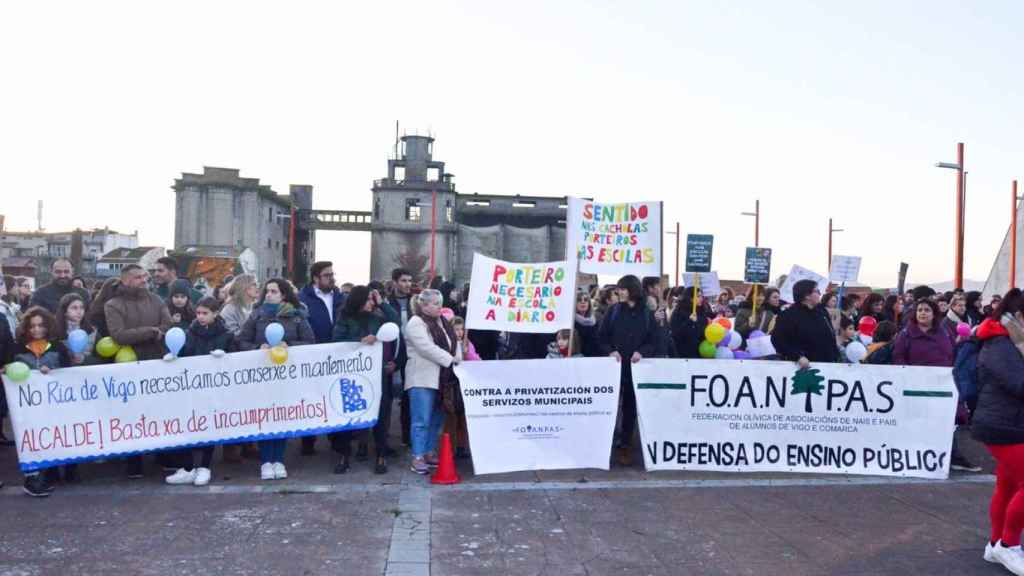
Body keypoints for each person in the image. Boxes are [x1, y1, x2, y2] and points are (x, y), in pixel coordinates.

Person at [237, 278, 315, 480]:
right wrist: (257, 348)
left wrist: (289, 344)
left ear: (284, 295)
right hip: (261, 376)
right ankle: (265, 461)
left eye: (274, 291)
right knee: (265, 416)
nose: (269, 295)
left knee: (281, 417)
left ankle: (278, 459)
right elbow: (241, 341)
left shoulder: (297, 316)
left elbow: (309, 341)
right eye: (267, 291)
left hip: (286, 376)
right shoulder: (257, 315)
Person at [970, 289, 1024, 571]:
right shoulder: (1000, 343)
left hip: (1011, 423)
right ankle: (1008, 545)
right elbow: (1019, 384)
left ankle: (995, 544)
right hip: (1001, 424)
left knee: (1008, 485)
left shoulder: (1014, 341)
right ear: (1018, 316)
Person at [892, 298, 979, 472]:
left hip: (942, 385)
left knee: (947, 421)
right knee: (919, 423)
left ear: (934, 314)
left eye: (927, 310)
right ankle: (916, 456)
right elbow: (898, 358)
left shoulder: (944, 332)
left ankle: (954, 456)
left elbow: (951, 353)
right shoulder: (906, 334)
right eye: (920, 310)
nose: (922, 313)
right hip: (916, 387)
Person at [105, 264, 174, 478]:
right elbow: (118, 335)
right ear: (125, 280)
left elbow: (168, 325)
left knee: (160, 412)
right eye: (138, 277)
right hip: (129, 365)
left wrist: (151, 332)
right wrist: (152, 331)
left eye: (145, 276)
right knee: (131, 414)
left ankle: (163, 455)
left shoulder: (156, 300)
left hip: (157, 361)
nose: (144, 280)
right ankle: (134, 460)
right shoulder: (113, 304)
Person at [164, 297, 236, 487]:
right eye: (198, 313)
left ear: (215, 313)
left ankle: (204, 467)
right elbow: (185, 352)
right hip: (190, 388)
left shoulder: (226, 334)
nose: (201, 317)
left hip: (213, 389)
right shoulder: (190, 332)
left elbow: (236, 360)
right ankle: (187, 468)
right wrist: (174, 355)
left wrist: (225, 357)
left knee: (208, 426)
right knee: (187, 425)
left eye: (205, 313)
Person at [330, 285, 399, 475]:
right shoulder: (345, 317)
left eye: (372, 299)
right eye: (368, 299)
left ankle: (380, 454)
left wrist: (382, 303)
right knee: (348, 413)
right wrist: (360, 340)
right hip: (352, 374)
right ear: (359, 300)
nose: (371, 302)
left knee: (382, 414)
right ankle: (344, 454)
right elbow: (336, 340)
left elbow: (395, 323)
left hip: (377, 374)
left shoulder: (378, 317)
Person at [14, 307, 76, 495]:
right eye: (32, 326)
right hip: (29, 407)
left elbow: (69, 372)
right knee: (37, 439)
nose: (36, 330)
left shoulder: (58, 347)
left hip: (56, 404)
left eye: (40, 325)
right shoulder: (18, 348)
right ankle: (40, 475)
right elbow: (11, 370)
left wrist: (54, 371)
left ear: (48, 326)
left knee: (59, 435)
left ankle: (67, 469)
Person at [599, 275, 658, 466]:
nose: (619, 292)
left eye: (623, 289)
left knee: (630, 408)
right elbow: (601, 336)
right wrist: (610, 350)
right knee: (609, 405)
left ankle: (625, 445)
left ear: (632, 290)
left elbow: (654, 340)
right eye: (618, 289)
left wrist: (642, 352)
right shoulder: (613, 311)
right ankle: (606, 442)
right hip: (614, 368)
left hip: (635, 368)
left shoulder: (646, 314)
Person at [403, 289, 462, 475]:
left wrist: (458, 357)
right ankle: (417, 456)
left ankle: (429, 451)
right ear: (423, 305)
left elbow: (455, 341)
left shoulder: (443, 322)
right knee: (421, 419)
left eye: (440, 302)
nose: (439, 306)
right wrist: (450, 359)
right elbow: (426, 348)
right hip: (422, 378)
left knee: (437, 418)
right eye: (435, 303)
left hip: (442, 379)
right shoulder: (416, 323)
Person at [297, 261, 346, 456]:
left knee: (334, 397)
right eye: (327, 275)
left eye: (332, 274)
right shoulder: (303, 298)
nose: (332, 278)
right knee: (311, 399)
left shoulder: (340, 297)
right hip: (313, 356)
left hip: (336, 355)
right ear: (315, 278)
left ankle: (335, 438)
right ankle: (308, 439)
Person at [771, 279, 839, 366]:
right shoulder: (788, 316)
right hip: (804, 368)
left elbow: (830, 335)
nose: (820, 294)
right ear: (807, 295)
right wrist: (797, 356)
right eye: (817, 291)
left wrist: (835, 354)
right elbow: (778, 340)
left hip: (828, 364)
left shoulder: (822, 312)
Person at [388, 268, 415, 449]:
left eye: (409, 281)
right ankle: (383, 438)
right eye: (404, 281)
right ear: (395, 282)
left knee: (408, 397)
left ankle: (407, 436)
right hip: (393, 352)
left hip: (413, 354)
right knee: (387, 396)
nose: (407, 284)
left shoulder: (416, 302)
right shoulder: (387, 302)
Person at [447, 316, 478, 459]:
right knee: (453, 417)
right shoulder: (449, 344)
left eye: (461, 330)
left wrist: (469, 354)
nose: (459, 333)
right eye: (456, 330)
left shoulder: (468, 344)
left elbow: (474, 358)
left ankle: (462, 445)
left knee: (464, 417)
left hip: (466, 384)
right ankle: (452, 447)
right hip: (453, 384)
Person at [670, 288, 712, 359]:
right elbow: (676, 332)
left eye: (701, 296)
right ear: (690, 298)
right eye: (698, 296)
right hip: (683, 353)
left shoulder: (701, 312)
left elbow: (702, 332)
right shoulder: (678, 312)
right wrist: (690, 321)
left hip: (699, 352)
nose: (701, 298)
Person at [56, 292, 95, 364]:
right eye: (74, 308)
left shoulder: (91, 331)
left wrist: (85, 359)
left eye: (82, 307)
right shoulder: (55, 331)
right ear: (65, 311)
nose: (79, 311)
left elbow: (101, 359)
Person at [574, 291, 600, 357]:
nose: (583, 302)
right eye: (579, 300)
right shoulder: (571, 322)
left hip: (595, 357)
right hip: (577, 358)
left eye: (586, 300)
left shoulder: (597, 320)